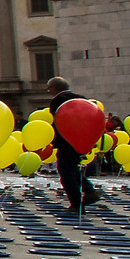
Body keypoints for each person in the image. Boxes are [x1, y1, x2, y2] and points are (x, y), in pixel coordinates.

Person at [46, 76, 99, 215]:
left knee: (66, 172)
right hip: (80, 141)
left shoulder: (58, 100)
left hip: (66, 141)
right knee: (73, 168)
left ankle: (76, 203)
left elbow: (60, 121)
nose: (49, 91)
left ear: (55, 88)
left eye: (49, 88)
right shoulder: (81, 98)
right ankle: (89, 190)